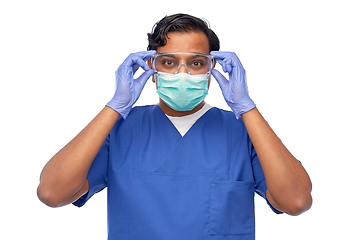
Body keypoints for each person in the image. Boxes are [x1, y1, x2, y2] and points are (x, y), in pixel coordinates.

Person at [37, 13, 312, 239]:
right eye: (168, 62)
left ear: (212, 69)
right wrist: (115, 106)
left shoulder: (243, 132)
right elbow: (52, 193)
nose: (182, 73)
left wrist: (246, 107)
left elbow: (296, 201)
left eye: (196, 62)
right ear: (151, 69)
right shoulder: (119, 130)